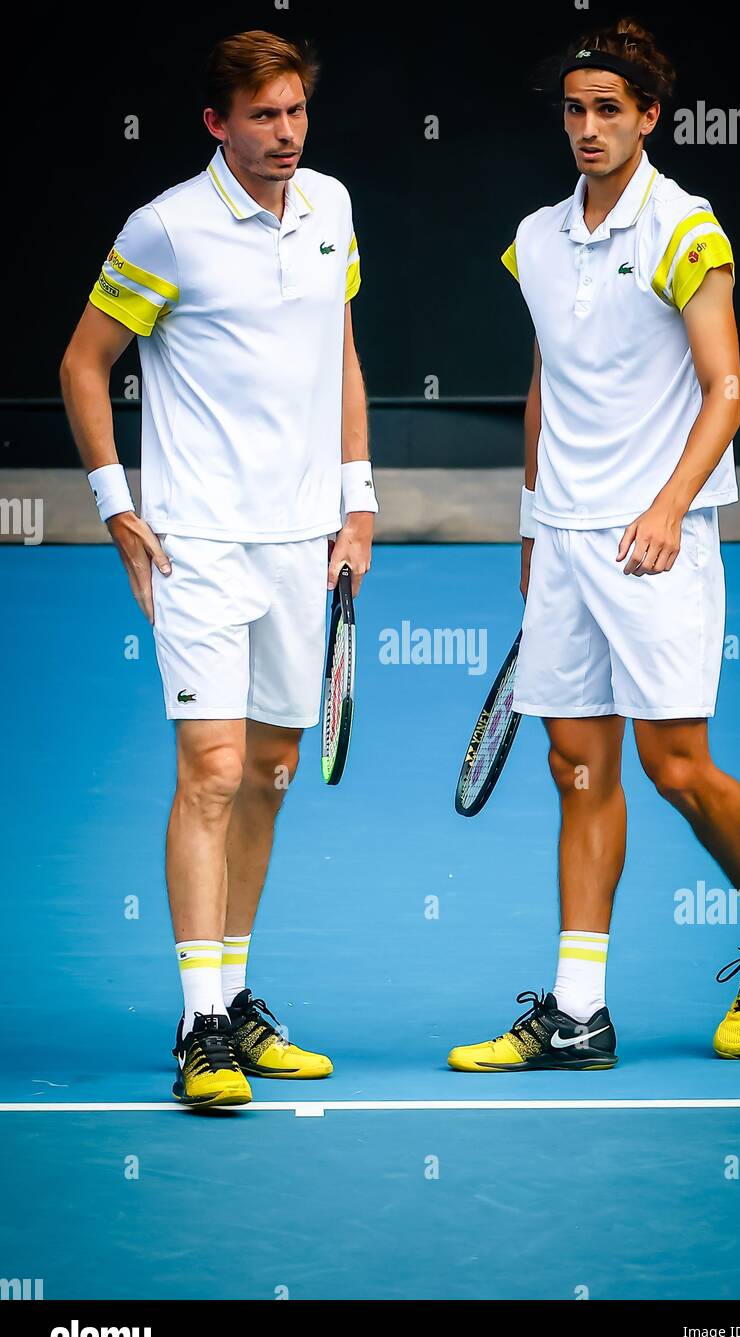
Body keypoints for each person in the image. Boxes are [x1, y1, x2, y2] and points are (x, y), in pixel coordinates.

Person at [448, 19, 740, 1072]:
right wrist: (532, 526)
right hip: (565, 542)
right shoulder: (534, 237)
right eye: (572, 109)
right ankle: (577, 1010)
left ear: (649, 116)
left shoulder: (686, 230)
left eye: (608, 109)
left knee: (674, 767)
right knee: (577, 768)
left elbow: (726, 391)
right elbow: (544, 389)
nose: (586, 128)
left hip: (656, 543)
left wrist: (664, 508)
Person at [60, 30, 377, 1107]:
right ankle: (199, 1023)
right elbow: (83, 361)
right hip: (198, 541)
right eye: (262, 117)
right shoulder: (166, 229)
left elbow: (338, 353)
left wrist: (358, 501)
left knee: (272, 777)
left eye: (295, 112)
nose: (284, 134)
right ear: (217, 124)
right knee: (211, 770)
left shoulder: (329, 208)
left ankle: (236, 995)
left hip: (303, 541)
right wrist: (117, 504)